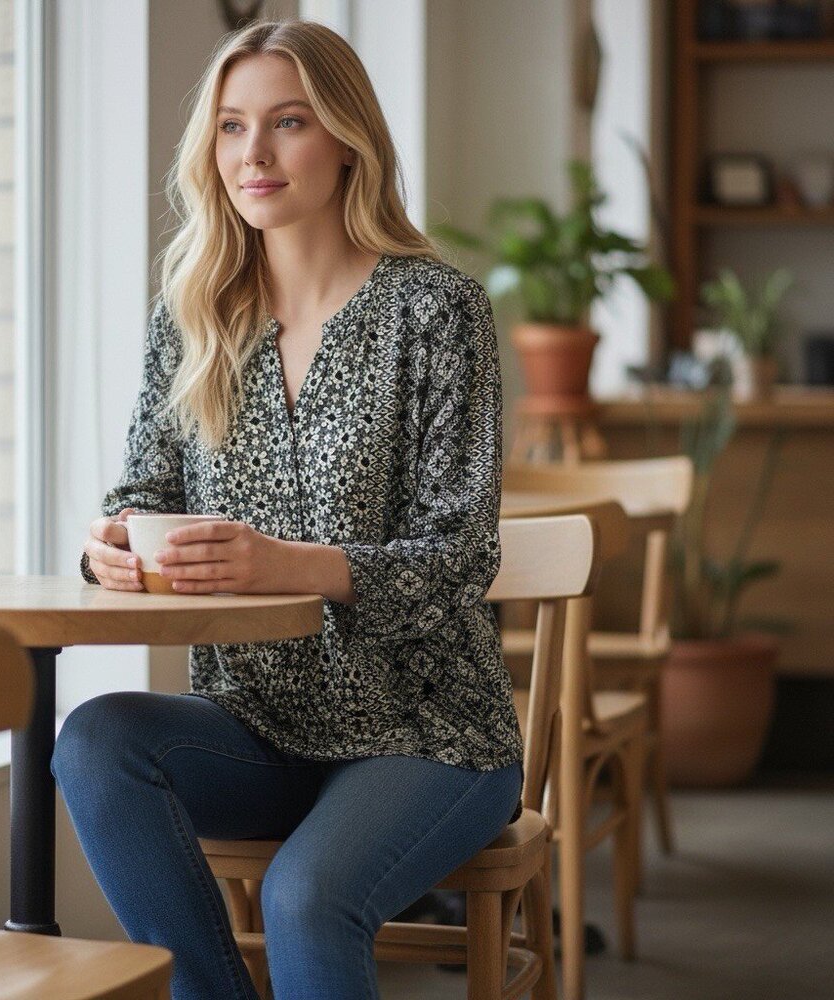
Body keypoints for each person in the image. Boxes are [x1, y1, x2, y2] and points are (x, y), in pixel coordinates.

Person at [51, 18, 523, 1000]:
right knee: (94, 743)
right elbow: (142, 493)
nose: (252, 155)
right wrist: (112, 550)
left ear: (348, 138)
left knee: (306, 893)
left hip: (427, 731)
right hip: (254, 722)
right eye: (230, 127)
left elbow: (459, 553)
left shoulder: (436, 310)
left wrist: (294, 563)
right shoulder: (192, 313)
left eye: (287, 122)